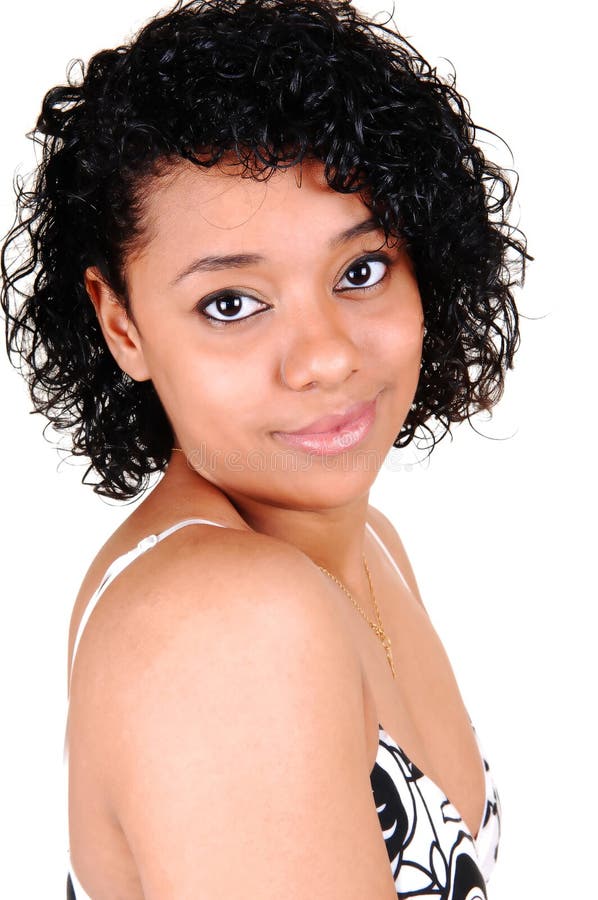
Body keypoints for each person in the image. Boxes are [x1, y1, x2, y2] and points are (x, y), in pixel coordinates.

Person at [0, 0, 527, 896]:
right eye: (232, 304)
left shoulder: (367, 547)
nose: (324, 357)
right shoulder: (227, 621)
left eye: (360, 272)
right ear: (120, 322)